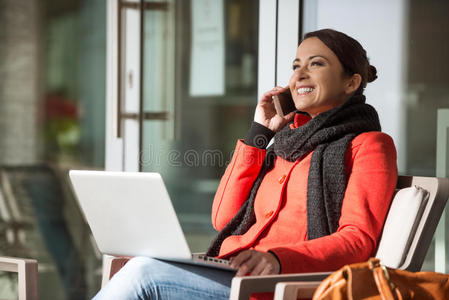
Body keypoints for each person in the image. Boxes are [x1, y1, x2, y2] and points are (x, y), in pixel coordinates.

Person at [93, 28, 397, 300]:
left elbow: (358, 240)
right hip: (230, 274)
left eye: (315, 64)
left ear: (351, 82)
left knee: (144, 274)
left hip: (280, 287)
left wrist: (278, 259)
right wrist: (259, 133)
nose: (299, 75)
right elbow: (223, 218)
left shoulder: (369, 145)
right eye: (295, 66)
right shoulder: (285, 145)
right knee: (139, 265)